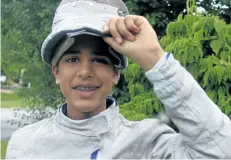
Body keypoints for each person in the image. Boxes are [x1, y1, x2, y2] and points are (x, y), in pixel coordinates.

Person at [5, 0, 231, 159]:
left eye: (100, 60)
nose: (85, 71)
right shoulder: (24, 145)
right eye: (72, 59)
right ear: (56, 71)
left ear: (116, 73)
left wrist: (154, 58)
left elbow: (221, 151)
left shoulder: (148, 143)